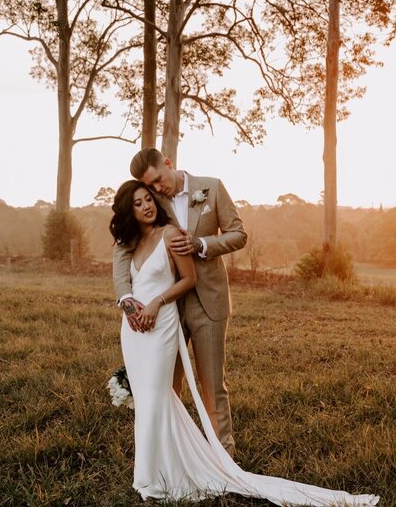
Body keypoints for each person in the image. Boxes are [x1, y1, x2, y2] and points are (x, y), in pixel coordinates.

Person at [110, 180, 379, 505]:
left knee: (157, 395)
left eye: (148, 199)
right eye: (138, 203)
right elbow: (124, 278)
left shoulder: (170, 235)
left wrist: (155, 304)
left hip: (162, 322)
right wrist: (129, 307)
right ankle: (153, 470)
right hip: (134, 331)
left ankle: (161, 475)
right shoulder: (130, 243)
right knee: (148, 400)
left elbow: (189, 279)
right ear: (129, 211)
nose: (147, 205)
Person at [113, 147, 245, 457]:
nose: (157, 189)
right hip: (167, 308)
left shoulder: (211, 187)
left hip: (208, 301)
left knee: (212, 384)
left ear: (169, 163)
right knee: (166, 385)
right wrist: (125, 295)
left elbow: (238, 234)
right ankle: (171, 453)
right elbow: (122, 247)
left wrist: (201, 243)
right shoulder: (149, 200)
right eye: (151, 185)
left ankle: (222, 455)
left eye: (159, 180)